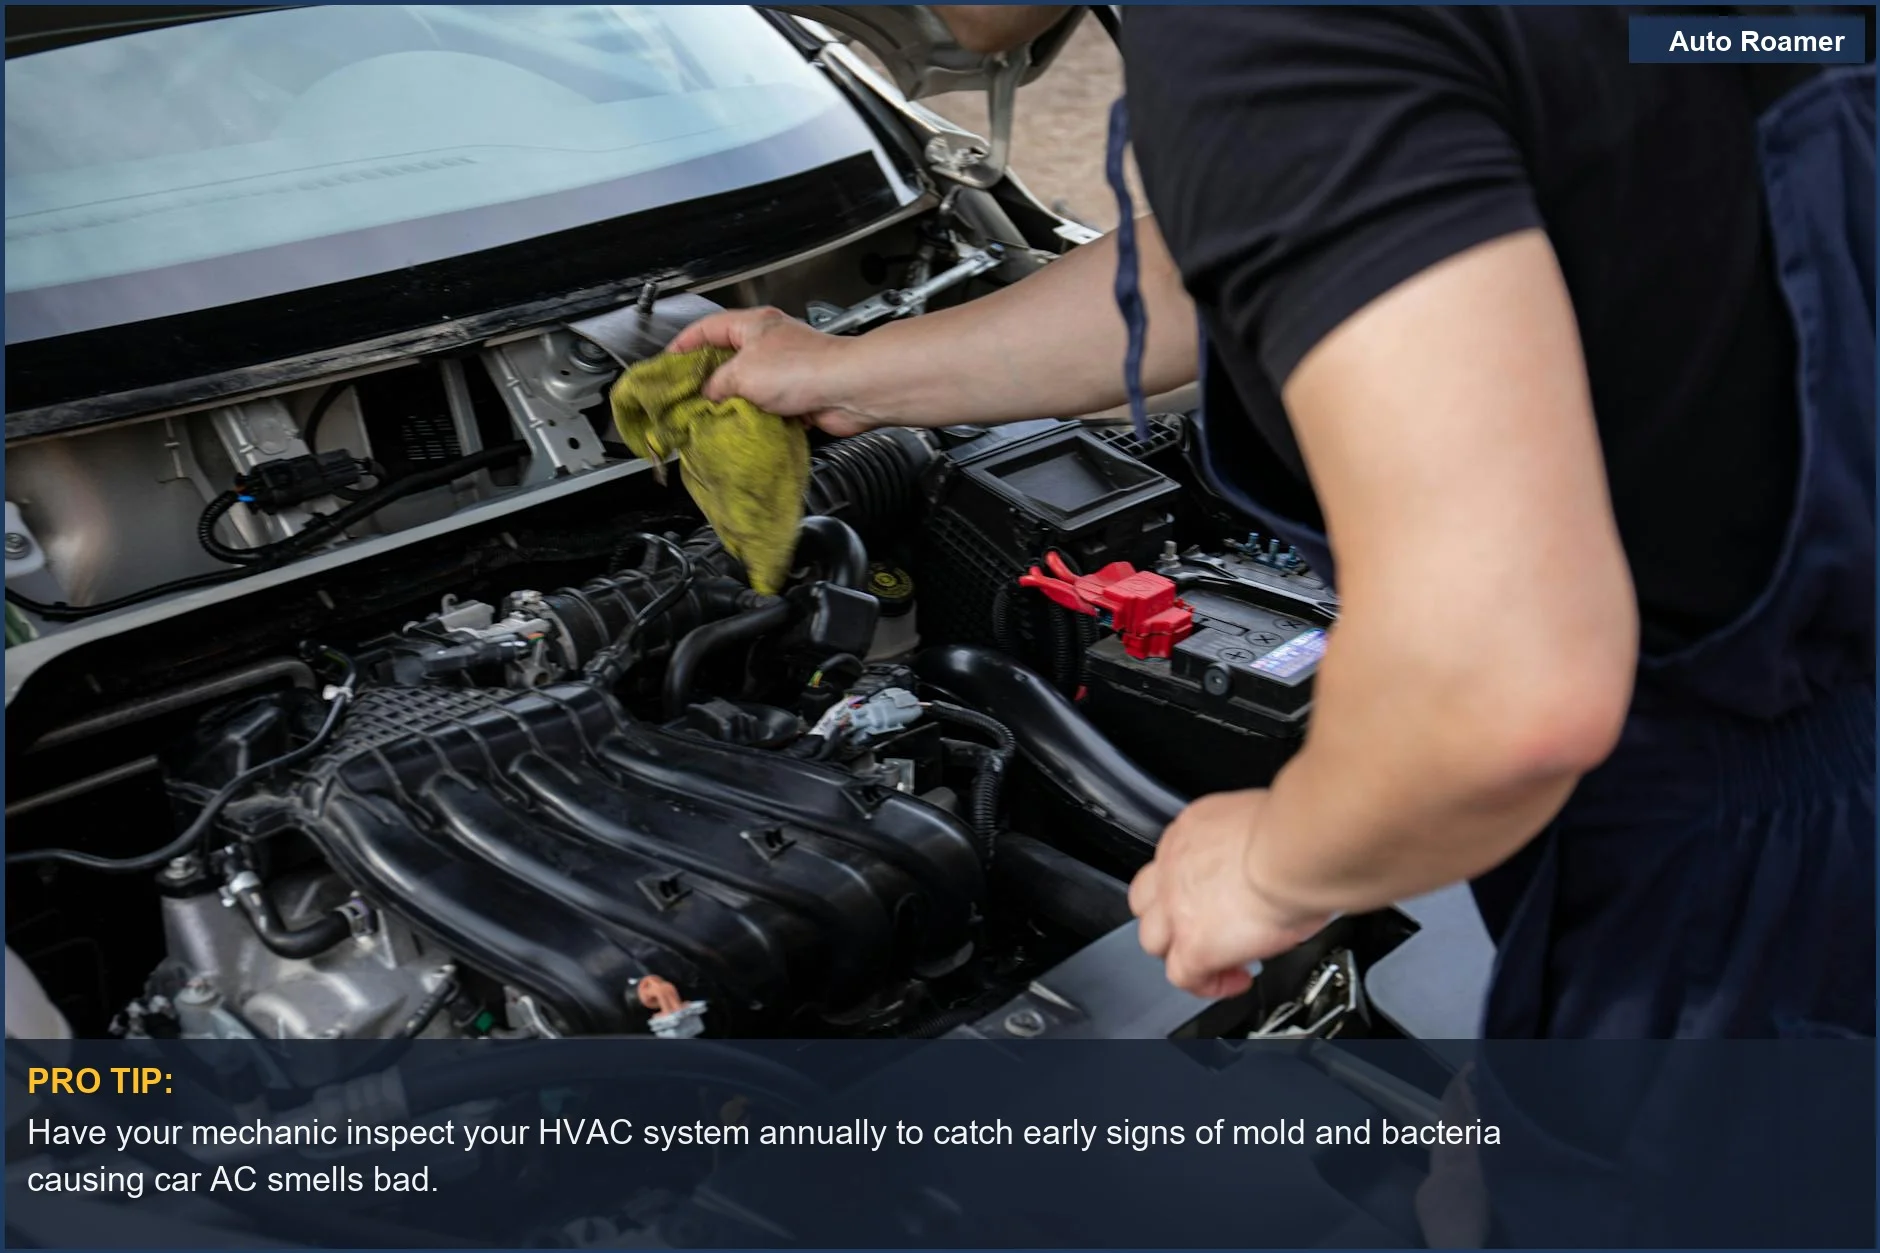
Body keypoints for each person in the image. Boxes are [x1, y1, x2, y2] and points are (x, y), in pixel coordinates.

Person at [671, 7, 1874, 1046]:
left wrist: (1268, 863)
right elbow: (1232, 254)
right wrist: (851, 372)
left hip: (1740, 867)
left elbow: (1503, 690)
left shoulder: (1275, 30)